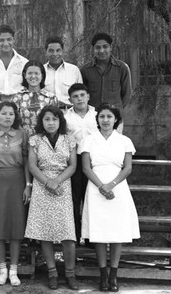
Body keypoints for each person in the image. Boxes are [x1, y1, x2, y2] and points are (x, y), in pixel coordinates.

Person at [80, 103, 140, 292]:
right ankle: (103, 274)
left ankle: (114, 274)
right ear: (97, 119)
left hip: (118, 187)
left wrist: (111, 185)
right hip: (96, 186)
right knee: (99, 233)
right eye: (102, 117)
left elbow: (128, 168)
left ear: (116, 120)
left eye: (109, 117)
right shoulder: (88, 140)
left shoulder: (124, 141)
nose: (105, 120)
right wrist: (101, 186)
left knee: (116, 232)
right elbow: (86, 167)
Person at [24, 105, 78, 291]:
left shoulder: (69, 140)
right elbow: (32, 166)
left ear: (60, 121)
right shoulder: (35, 140)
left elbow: (72, 166)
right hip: (42, 185)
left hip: (63, 185)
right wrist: (48, 182)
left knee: (67, 233)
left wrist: (57, 181)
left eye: (54, 119)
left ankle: (70, 274)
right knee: (44, 232)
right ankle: (52, 272)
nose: (51, 123)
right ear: (42, 121)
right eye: (47, 119)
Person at [0, 102, 30, 287]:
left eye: (11, 113)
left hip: (17, 181)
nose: (7, 117)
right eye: (4, 113)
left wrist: (28, 185)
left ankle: (14, 270)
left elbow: (26, 161)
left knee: (16, 227)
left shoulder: (22, 134)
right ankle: (2, 269)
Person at [64, 83, 99, 244]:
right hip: (74, 161)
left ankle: (93, 237)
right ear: (70, 99)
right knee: (74, 199)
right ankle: (76, 236)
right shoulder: (65, 117)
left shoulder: (97, 115)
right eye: (75, 96)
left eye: (82, 95)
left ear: (88, 96)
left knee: (92, 199)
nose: (79, 99)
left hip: (94, 161)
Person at [80, 32, 132, 133]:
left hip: (115, 119)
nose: (101, 50)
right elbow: (82, 95)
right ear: (93, 49)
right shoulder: (85, 70)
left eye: (105, 47)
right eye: (97, 47)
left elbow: (127, 94)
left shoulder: (122, 68)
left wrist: (115, 110)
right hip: (92, 119)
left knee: (114, 147)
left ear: (111, 47)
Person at [11, 60, 57, 136]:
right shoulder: (17, 98)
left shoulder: (51, 98)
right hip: (22, 138)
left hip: (45, 139)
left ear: (42, 76)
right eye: (30, 73)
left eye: (36, 73)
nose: (33, 76)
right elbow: (14, 121)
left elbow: (54, 121)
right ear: (24, 75)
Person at [43, 36, 82, 111]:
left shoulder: (74, 70)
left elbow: (81, 95)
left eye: (58, 50)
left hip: (70, 113)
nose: (55, 54)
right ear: (46, 52)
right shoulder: (41, 71)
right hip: (48, 114)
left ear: (62, 51)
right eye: (51, 51)